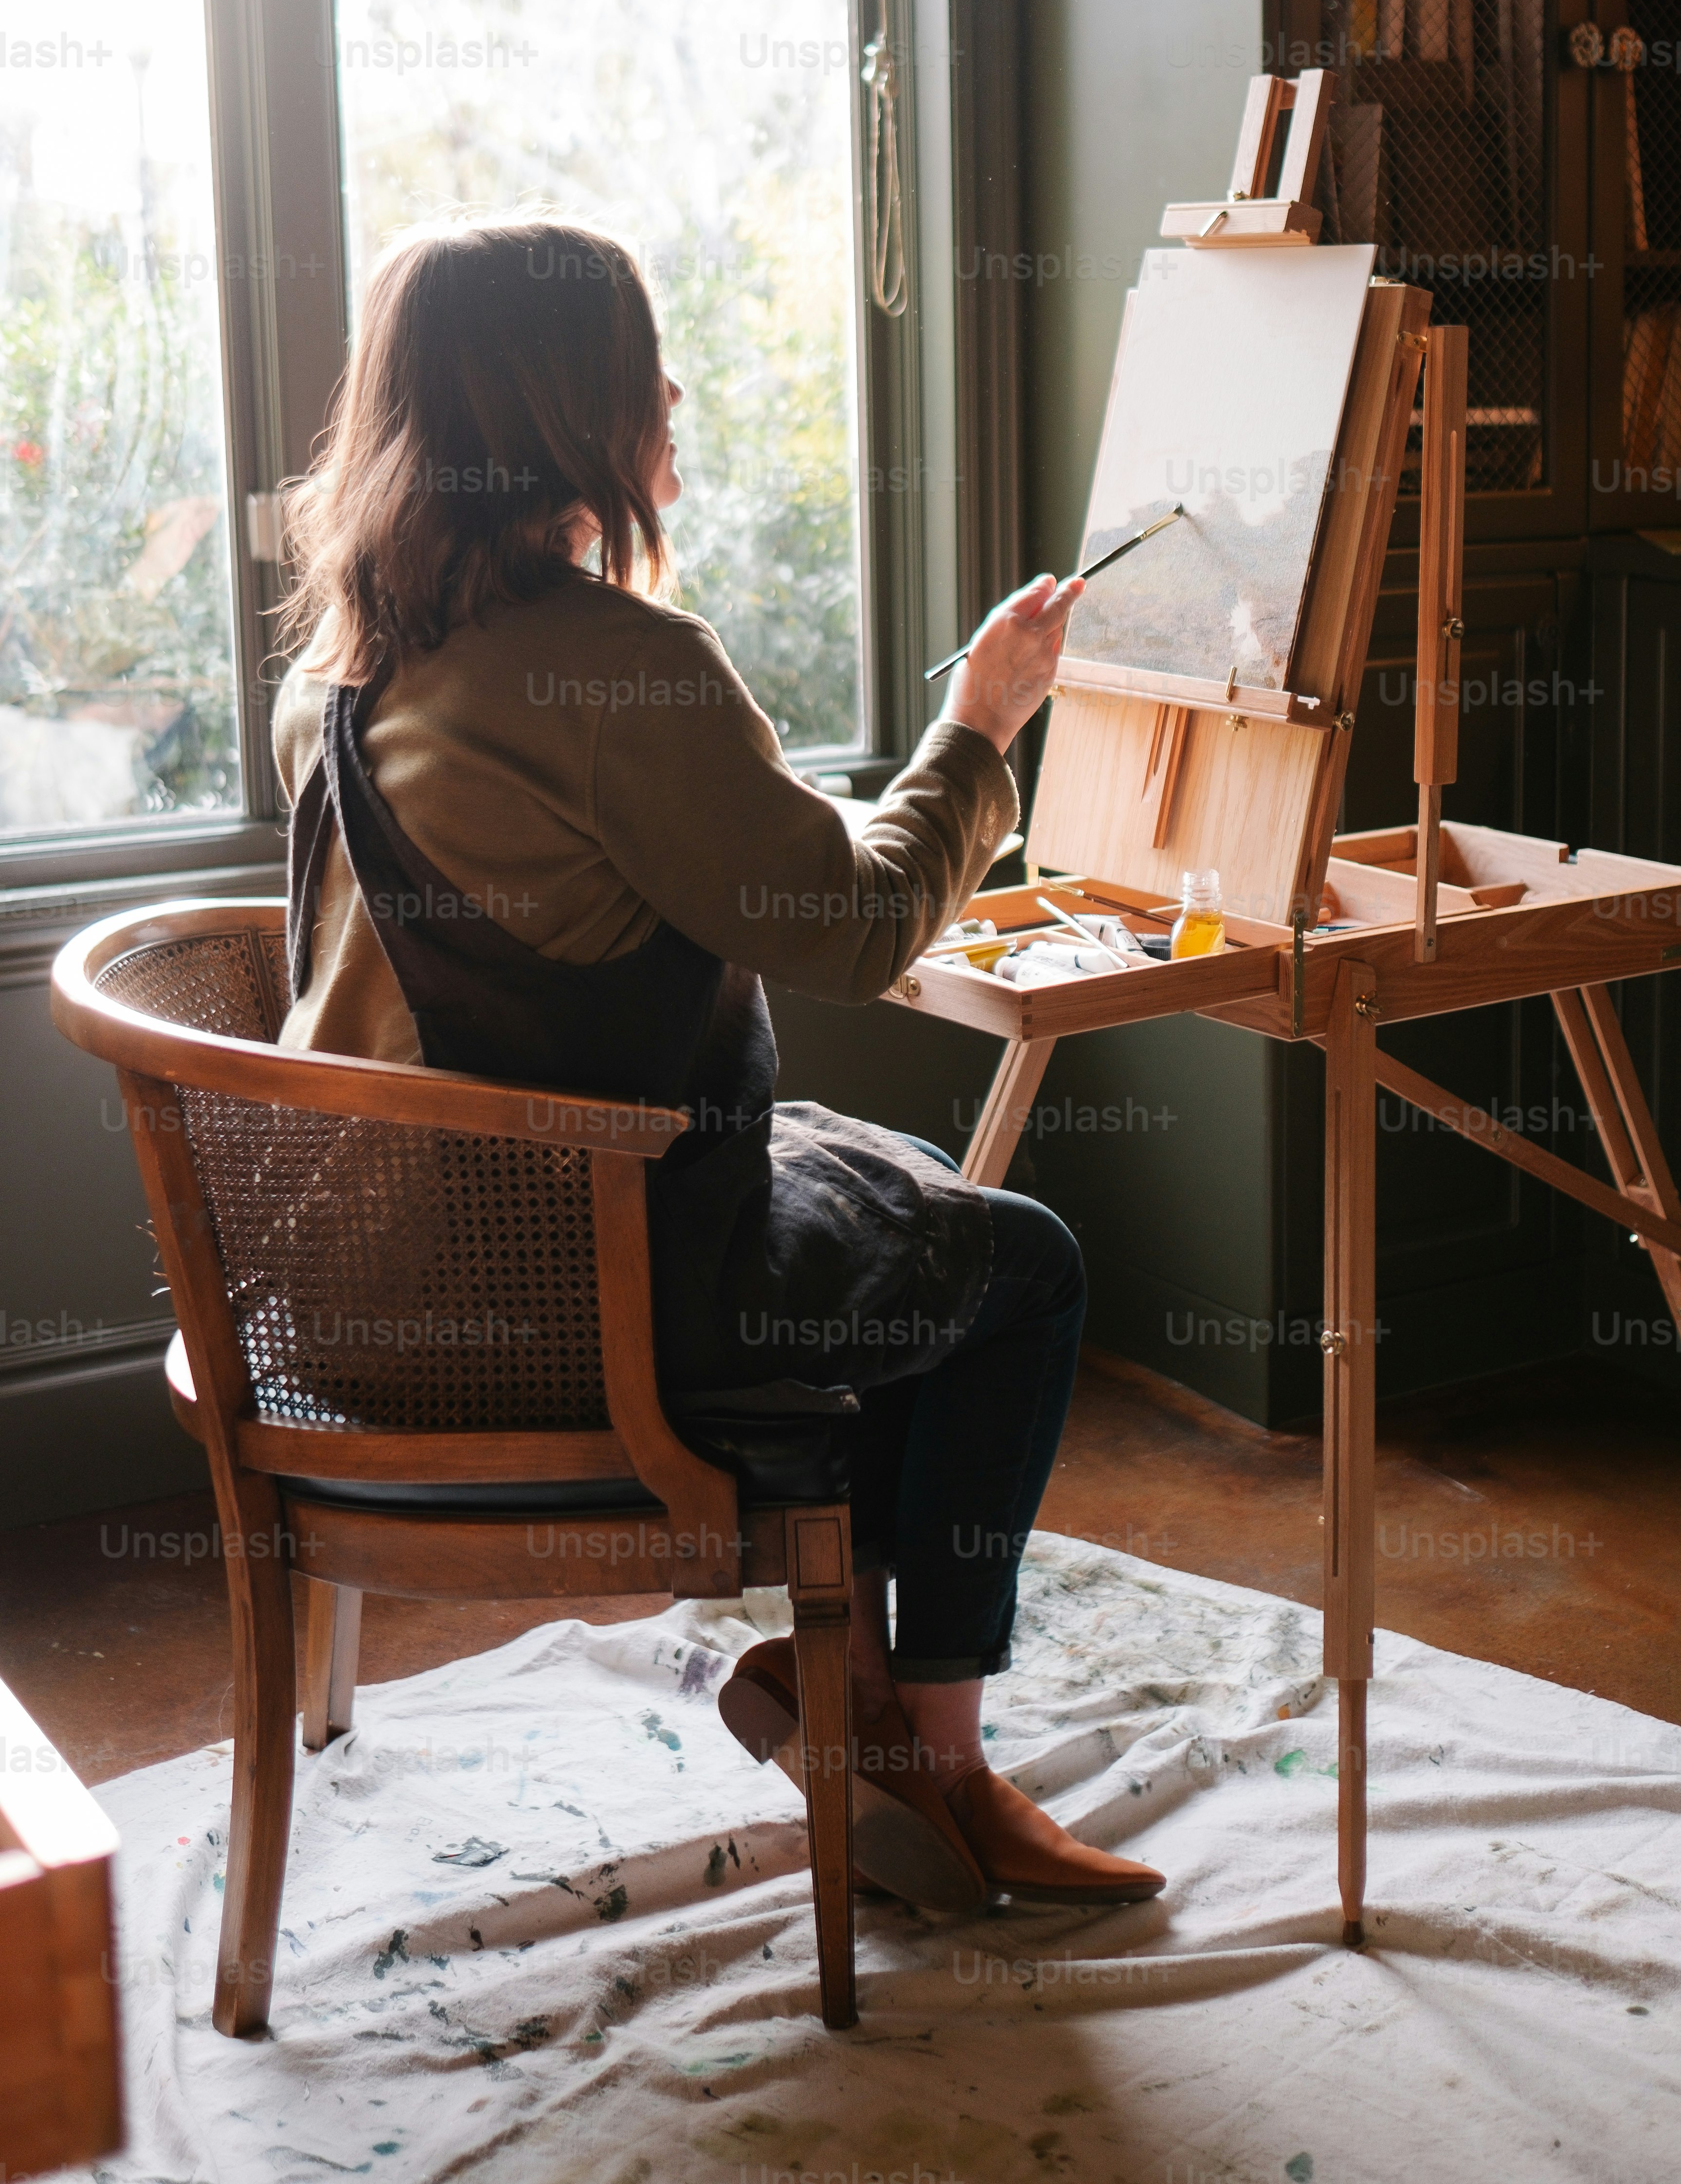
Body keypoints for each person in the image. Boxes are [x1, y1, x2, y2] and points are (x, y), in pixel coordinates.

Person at [273, 211, 1164, 1917]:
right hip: (571, 1306)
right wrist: (981, 723)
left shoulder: (359, 666)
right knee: (1028, 1266)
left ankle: (856, 1692)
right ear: (560, 410)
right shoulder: (623, 669)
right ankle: (938, 1762)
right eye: (642, 366)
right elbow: (859, 929)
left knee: (903, 1192)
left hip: (361, 1283)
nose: (671, 396)